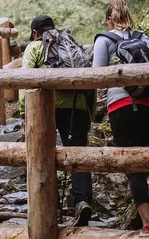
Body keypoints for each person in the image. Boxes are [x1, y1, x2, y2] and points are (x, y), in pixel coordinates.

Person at [92, 0, 149, 232]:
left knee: (131, 163)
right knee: (141, 156)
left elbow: (96, 75)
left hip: (123, 106)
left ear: (108, 20)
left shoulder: (105, 40)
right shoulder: (145, 38)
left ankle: (148, 224)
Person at [21, 14, 96, 226]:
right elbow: (90, 79)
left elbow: (25, 80)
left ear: (35, 33)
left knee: (41, 153)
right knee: (78, 152)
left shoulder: (35, 47)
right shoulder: (70, 44)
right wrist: (89, 110)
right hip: (76, 105)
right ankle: (82, 201)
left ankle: (47, 204)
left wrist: (24, 113)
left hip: (44, 108)